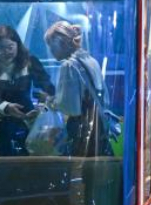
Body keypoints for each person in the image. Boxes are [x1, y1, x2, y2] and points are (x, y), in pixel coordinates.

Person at [0, 26, 54, 157]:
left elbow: (47, 86)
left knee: (27, 157)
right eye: (0, 48)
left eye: (10, 47)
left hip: (26, 115)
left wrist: (43, 104)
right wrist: (6, 107)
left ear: (17, 45)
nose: (6, 52)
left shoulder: (30, 61)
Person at [45, 20, 108, 156]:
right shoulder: (91, 61)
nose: (51, 51)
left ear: (62, 44)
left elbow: (71, 108)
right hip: (99, 125)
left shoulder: (68, 66)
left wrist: (51, 102)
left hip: (81, 130)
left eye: (51, 46)